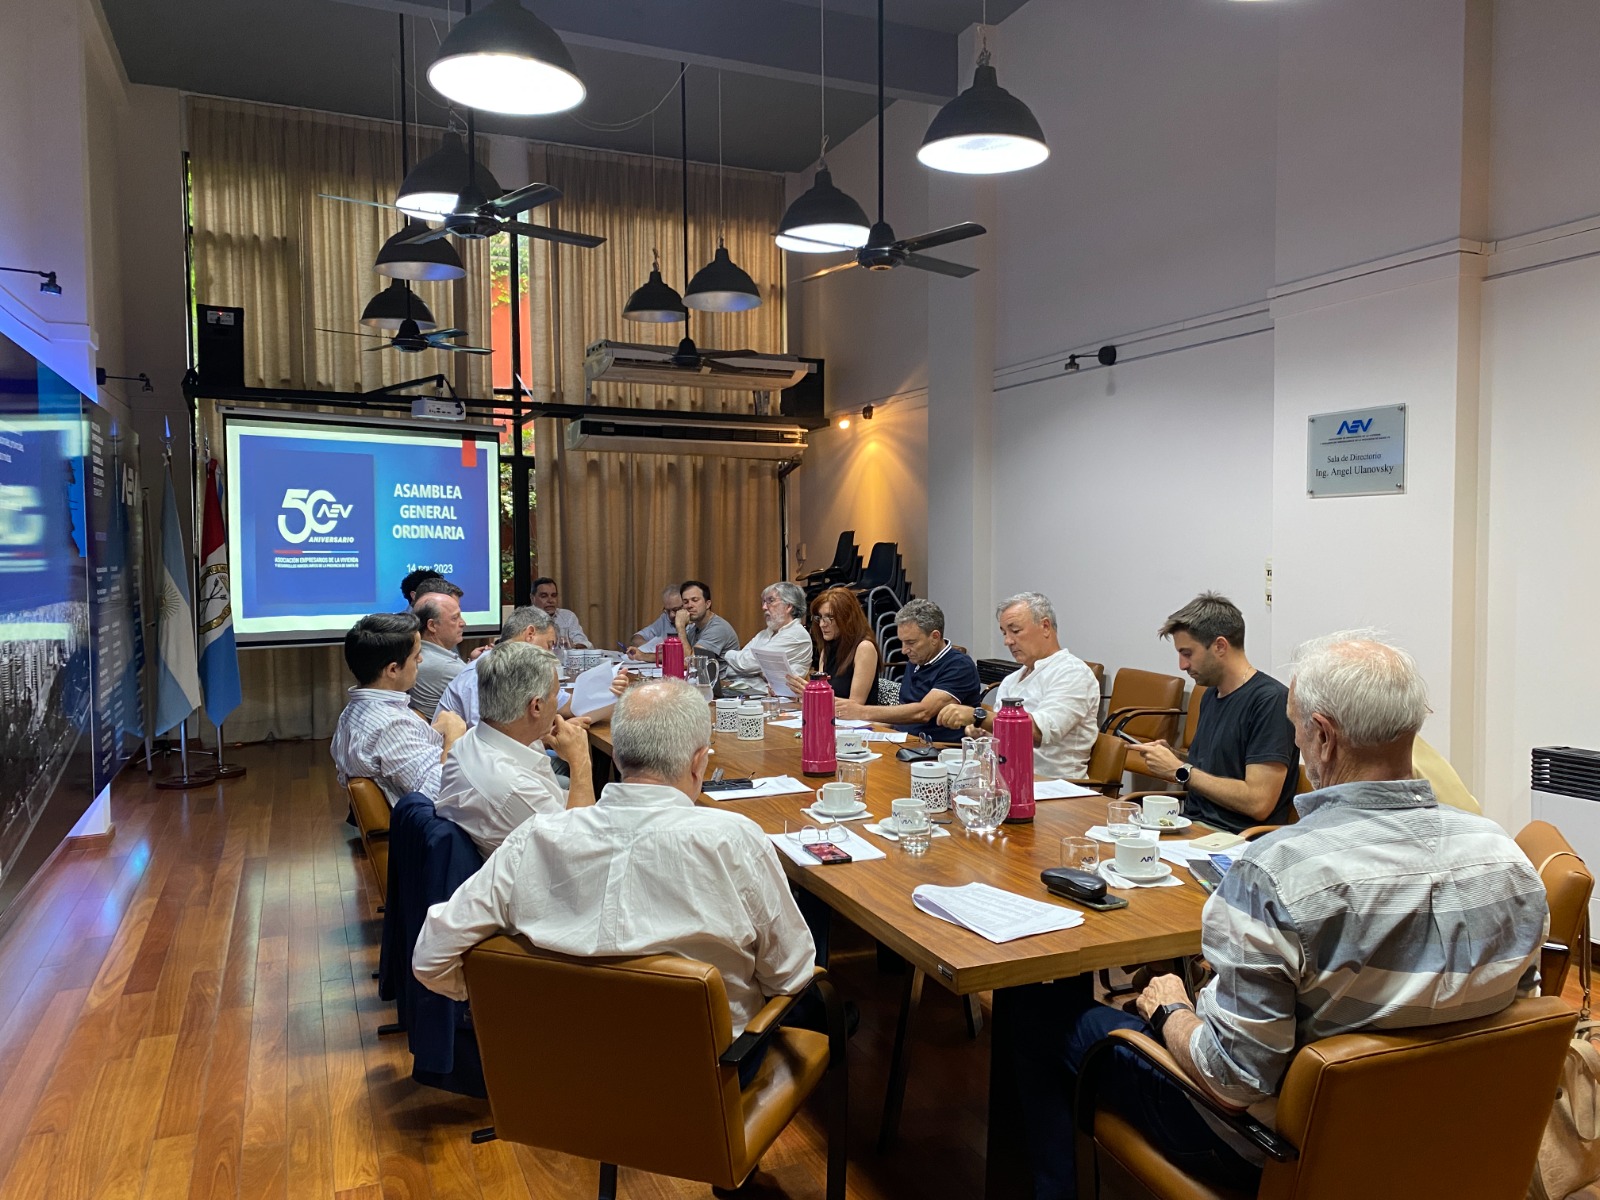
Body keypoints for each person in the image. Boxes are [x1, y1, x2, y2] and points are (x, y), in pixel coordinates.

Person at [996, 632, 1548, 1199]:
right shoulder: (1507, 858)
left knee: (1045, 1011)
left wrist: (1172, 1011)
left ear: (1325, 738)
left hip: (1276, 1150)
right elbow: (1513, 1017)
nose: (1299, 747)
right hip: (1453, 1138)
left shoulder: (1277, 872)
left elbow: (1232, 1083)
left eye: (1298, 730)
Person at [413, 678, 816, 1055]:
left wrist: (509, 999)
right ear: (699, 763)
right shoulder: (736, 840)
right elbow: (790, 976)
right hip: (708, 1084)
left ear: (618, 755)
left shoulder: (535, 838)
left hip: (559, 1079)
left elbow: (431, 956)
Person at [1134, 593, 1300, 833]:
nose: (1182, 665)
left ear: (1220, 646)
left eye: (1188, 653)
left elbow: (1258, 802)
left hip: (1235, 838)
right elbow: (1217, 771)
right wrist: (1175, 758)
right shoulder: (1211, 695)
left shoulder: (1270, 701)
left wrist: (1180, 771)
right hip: (1191, 826)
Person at [434, 641, 595, 858]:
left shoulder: (475, 738)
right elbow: (580, 849)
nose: (558, 703)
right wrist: (580, 761)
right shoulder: (513, 788)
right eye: (556, 694)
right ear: (536, 706)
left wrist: (540, 735)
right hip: (540, 879)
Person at [938, 592, 1099, 779]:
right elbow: (1002, 736)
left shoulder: (1072, 673)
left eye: (1015, 631)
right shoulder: (1012, 679)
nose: (1008, 641)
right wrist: (981, 733)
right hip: (1003, 777)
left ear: (1045, 626)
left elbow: (1038, 732)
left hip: (1054, 787)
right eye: (1004, 633)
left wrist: (979, 716)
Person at [331, 612, 466, 806]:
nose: (420, 660)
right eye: (416, 655)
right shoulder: (391, 725)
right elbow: (440, 793)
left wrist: (432, 732)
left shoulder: (352, 711)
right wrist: (455, 736)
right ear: (392, 669)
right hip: (432, 824)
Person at [835, 599, 982, 743]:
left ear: (935, 637)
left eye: (911, 642)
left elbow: (923, 712)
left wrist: (860, 711)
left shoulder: (959, 666)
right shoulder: (917, 658)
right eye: (902, 642)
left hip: (938, 749)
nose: (904, 650)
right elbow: (905, 714)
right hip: (905, 741)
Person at [437, 606, 560, 727]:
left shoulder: (516, 668)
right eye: (549, 645)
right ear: (530, 634)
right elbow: (483, 732)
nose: (550, 654)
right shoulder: (483, 670)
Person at [785, 586, 881, 704]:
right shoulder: (827, 649)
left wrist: (813, 693)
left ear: (848, 618)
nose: (822, 624)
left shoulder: (864, 648)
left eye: (830, 617)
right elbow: (821, 700)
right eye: (819, 618)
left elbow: (856, 705)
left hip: (858, 721)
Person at [722, 581, 813, 686]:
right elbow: (731, 671)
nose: (764, 607)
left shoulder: (796, 634)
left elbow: (746, 664)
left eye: (770, 600)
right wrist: (759, 672)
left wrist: (727, 654)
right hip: (750, 694)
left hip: (781, 699)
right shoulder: (764, 633)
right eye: (763, 602)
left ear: (788, 606)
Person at [409, 591, 467, 720]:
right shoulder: (445, 667)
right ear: (432, 625)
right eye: (455, 618)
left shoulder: (422, 654)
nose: (463, 623)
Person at [533, 577, 590, 648]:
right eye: (544, 596)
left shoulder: (568, 616)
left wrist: (573, 646)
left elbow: (583, 642)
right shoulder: (523, 618)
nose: (550, 600)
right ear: (532, 598)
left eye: (554, 596)